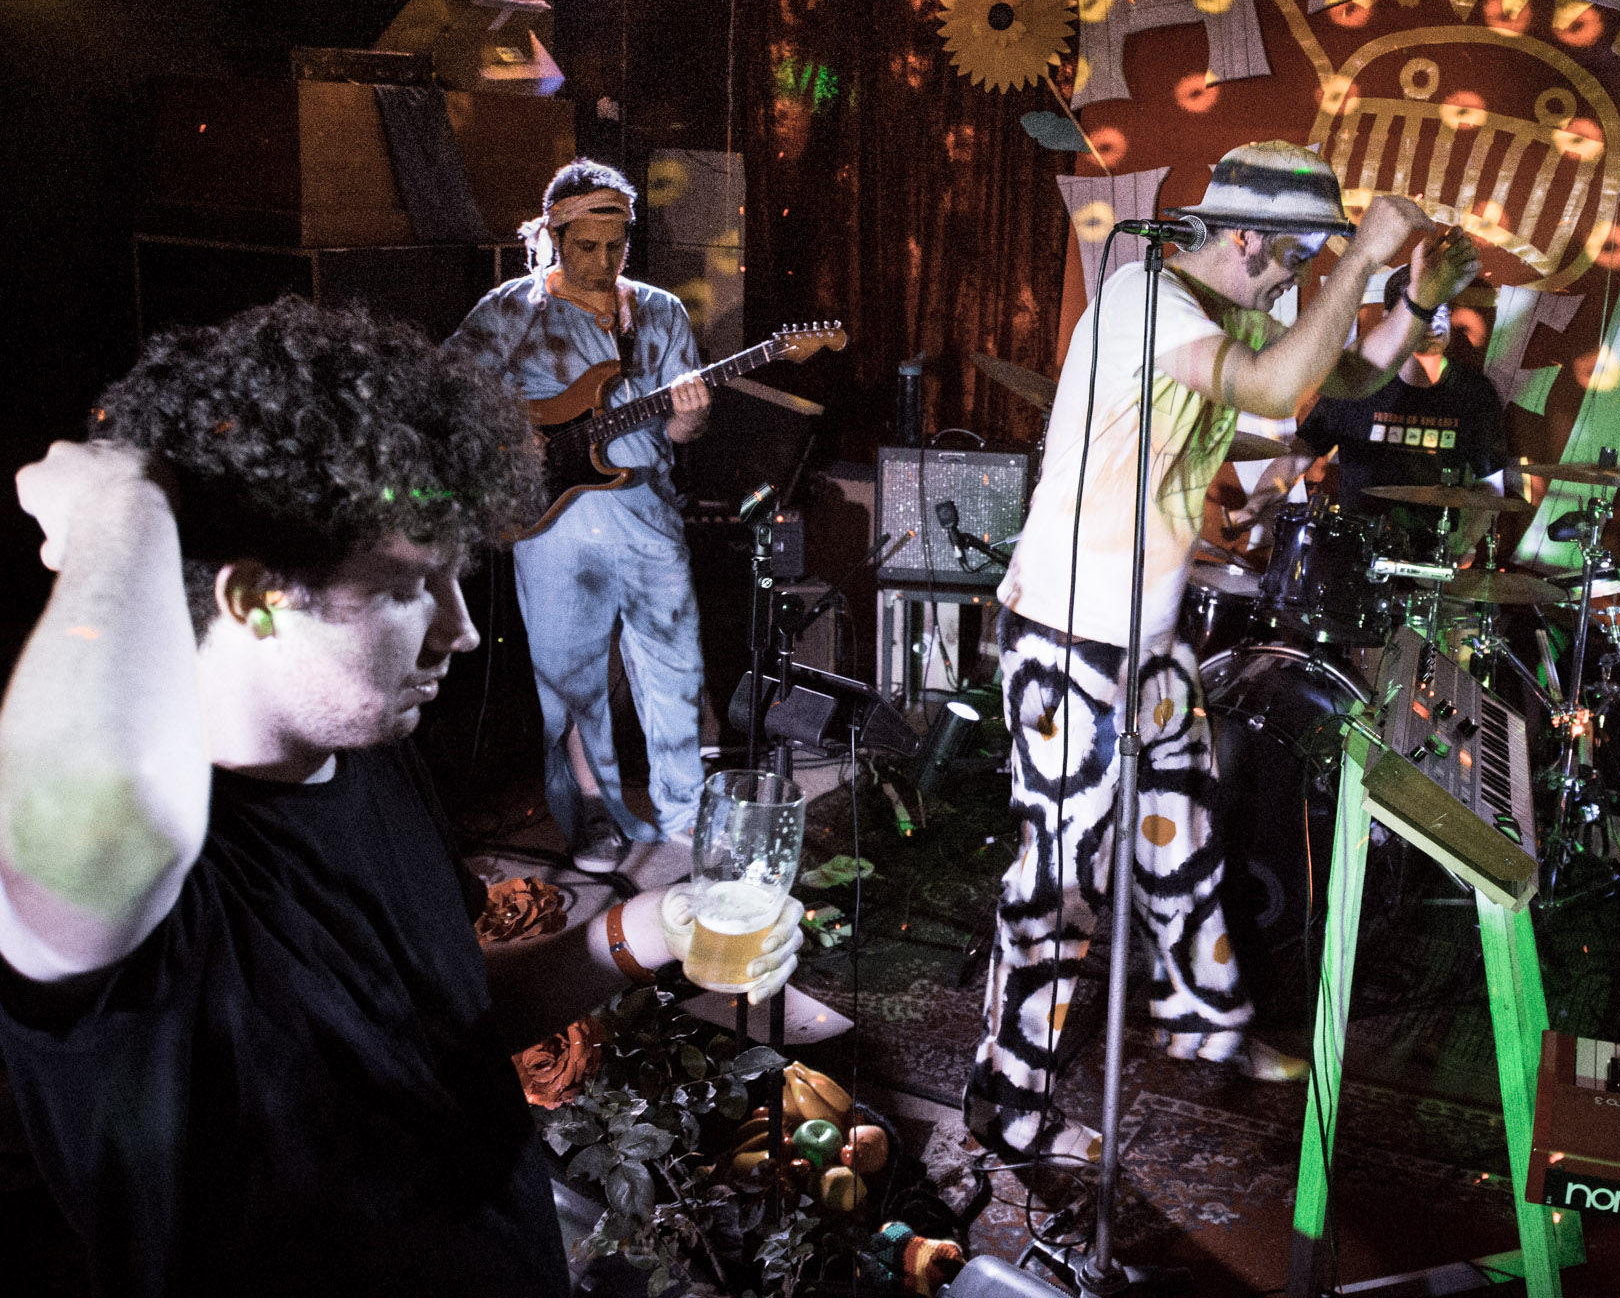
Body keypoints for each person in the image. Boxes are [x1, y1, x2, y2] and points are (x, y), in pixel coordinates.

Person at [0, 298, 801, 1297]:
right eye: (406, 587)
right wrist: (123, 516)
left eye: (456, 575)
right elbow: (78, 820)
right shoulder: (140, 887)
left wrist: (644, 930)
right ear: (253, 600)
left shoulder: (368, 752)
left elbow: (445, 1007)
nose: (459, 630)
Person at [964, 141, 1479, 1165]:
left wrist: (1414, 299)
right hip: (1069, 636)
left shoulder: (1217, 318)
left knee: (1181, 838)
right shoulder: (1143, 301)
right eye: (1295, 260)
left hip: (1142, 641)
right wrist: (1362, 257)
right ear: (1245, 237)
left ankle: (1206, 1019)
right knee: (1061, 885)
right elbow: (1281, 390)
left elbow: (1333, 381)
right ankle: (1005, 1099)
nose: (1295, 282)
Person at [452, 160, 715, 872]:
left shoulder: (660, 311)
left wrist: (691, 417)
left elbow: (680, 431)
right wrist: (512, 436)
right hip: (553, 519)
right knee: (571, 678)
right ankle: (593, 811)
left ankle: (685, 815)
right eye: (586, 246)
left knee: (674, 665)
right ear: (554, 236)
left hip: (648, 510)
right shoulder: (512, 309)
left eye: (616, 245)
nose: (603, 261)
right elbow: (445, 391)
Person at [1232, 267, 1512, 559]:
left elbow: (1490, 486)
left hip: (1431, 558)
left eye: (1441, 310)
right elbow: (1297, 458)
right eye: (1423, 310)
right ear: (1389, 318)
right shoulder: (1357, 381)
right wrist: (1252, 508)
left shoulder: (1474, 392)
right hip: (1354, 553)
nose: (1434, 321)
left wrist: (1464, 541)